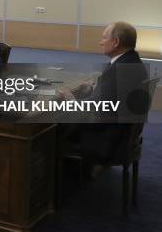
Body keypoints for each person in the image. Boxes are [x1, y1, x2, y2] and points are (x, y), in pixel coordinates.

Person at [57, 22, 149, 161]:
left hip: (107, 139)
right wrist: (95, 88)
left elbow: (95, 112)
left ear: (116, 42)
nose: (101, 42)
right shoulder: (133, 61)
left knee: (53, 124)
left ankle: (59, 177)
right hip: (122, 133)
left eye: (104, 38)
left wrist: (69, 97)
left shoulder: (117, 70)